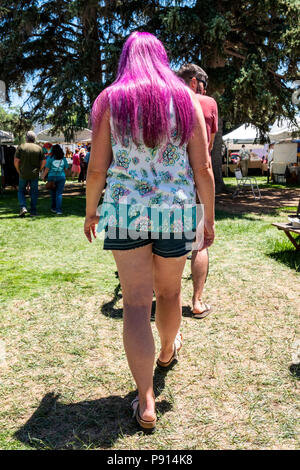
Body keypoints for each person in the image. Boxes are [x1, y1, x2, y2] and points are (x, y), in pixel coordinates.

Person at [84, 32, 215, 432]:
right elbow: (203, 168)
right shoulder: (185, 99)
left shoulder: (110, 100)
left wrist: (91, 210)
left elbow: (96, 168)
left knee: (136, 304)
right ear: (163, 57)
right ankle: (165, 356)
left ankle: (145, 399)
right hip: (175, 212)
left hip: (125, 211)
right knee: (170, 294)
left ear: (126, 59)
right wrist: (207, 218)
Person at [177, 63, 218, 318]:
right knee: (199, 243)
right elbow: (208, 146)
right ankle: (197, 301)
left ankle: (168, 300)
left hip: (172, 182)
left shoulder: (164, 100)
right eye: (203, 85)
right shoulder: (206, 102)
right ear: (195, 82)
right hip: (198, 180)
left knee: (172, 242)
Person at [14, 131, 46, 217]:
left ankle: (23, 207)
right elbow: (44, 161)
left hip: (23, 173)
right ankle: (33, 211)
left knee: (21, 191)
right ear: (34, 138)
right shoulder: (39, 148)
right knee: (34, 192)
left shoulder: (21, 146)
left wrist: (18, 171)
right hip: (34, 174)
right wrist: (39, 169)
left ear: (26, 138)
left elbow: (16, 161)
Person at [43, 144, 68, 215]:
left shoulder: (50, 158)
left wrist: (43, 176)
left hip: (51, 177)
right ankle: (59, 210)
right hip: (61, 177)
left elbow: (47, 168)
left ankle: (53, 208)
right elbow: (66, 168)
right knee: (59, 194)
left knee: (53, 194)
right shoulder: (63, 158)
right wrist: (64, 175)